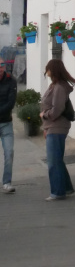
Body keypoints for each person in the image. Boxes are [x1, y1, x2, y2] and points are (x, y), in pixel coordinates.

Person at [40, 59, 75, 200]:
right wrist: (45, 127)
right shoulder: (54, 86)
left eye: (48, 68)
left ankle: (57, 192)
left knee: (53, 161)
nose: (46, 71)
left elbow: (57, 109)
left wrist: (44, 115)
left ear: (53, 70)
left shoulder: (59, 88)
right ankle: (66, 187)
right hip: (52, 126)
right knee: (57, 160)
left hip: (58, 126)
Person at [0, 63, 17, 194]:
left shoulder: (11, 80)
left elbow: (11, 102)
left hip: (6, 123)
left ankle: (7, 182)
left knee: (9, 152)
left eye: (1, 65)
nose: (0, 68)